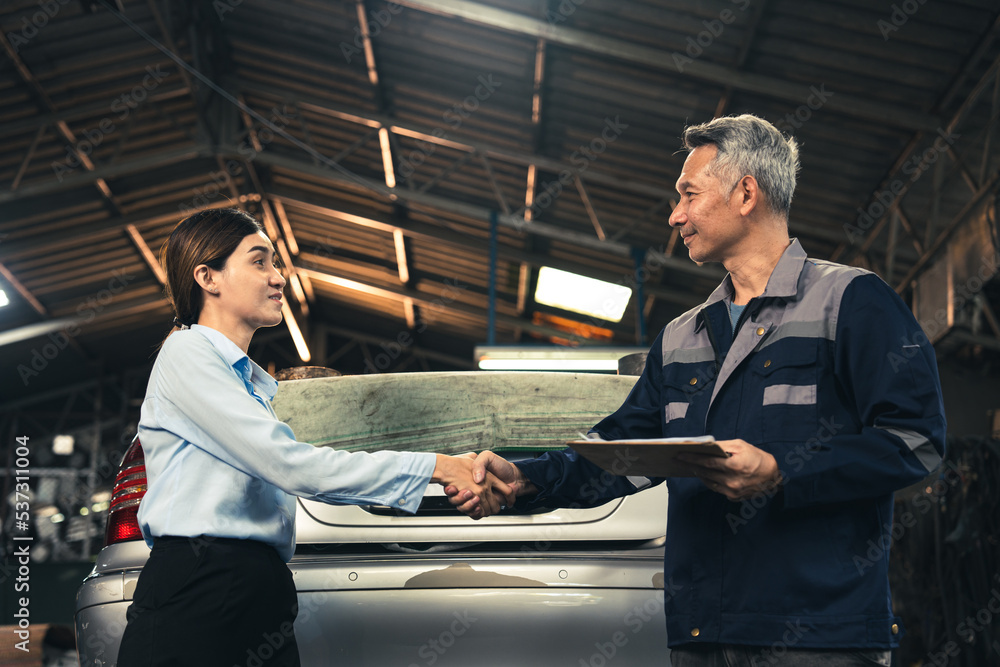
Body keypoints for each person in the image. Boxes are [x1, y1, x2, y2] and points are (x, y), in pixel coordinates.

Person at [449, 115, 947, 666]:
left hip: (820, 637)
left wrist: (782, 472)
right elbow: (621, 455)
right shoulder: (681, 336)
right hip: (702, 636)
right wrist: (524, 478)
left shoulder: (852, 302)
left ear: (746, 194)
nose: (675, 215)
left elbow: (916, 440)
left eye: (689, 194)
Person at [117, 208, 512, 667]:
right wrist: (439, 466)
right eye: (259, 262)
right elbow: (293, 465)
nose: (278, 277)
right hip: (199, 588)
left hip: (257, 588)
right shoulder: (187, 351)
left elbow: (310, 472)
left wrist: (441, 472)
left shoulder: (249, 387)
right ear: (208, 277)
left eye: (275, 263)